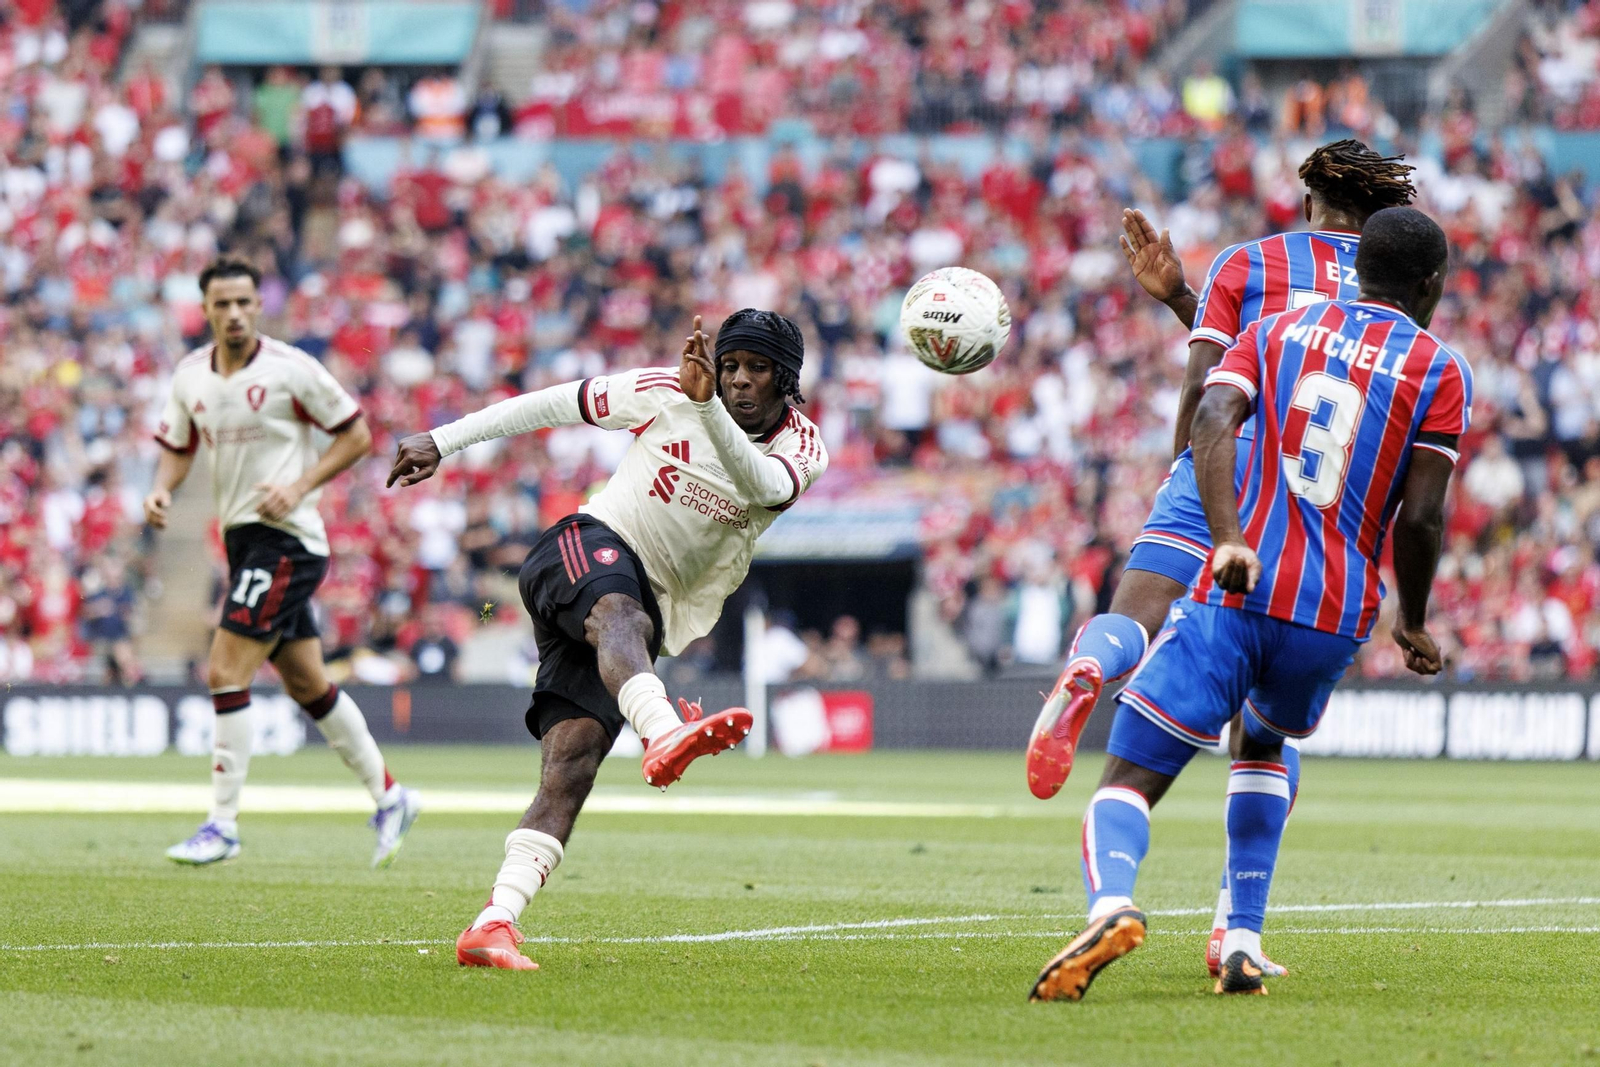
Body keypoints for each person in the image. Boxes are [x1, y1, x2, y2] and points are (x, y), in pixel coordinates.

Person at [1030, 206, 1470, 1002]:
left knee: (1127, 777)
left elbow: (1210, 413)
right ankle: (1240, 939)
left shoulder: (1276, 333)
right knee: (1264, 744)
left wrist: (1228, 535)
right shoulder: (1440, 369)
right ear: (1431, 283)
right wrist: (1412, 619)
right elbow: (1424, 516)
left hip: (1243, 587)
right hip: (1334, 617)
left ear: (1356, 265)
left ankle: (1112, 903)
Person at [386, 309, 828, 971]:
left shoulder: (802, 445)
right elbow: (552, 404)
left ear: (784, 379)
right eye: (730, 365)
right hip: (584, 547)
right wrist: (442, 441)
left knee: (572, 765)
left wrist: (705, 407)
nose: (736, 380)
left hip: (641, 608)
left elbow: (760, 484)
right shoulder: (666, 389)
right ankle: (661, 728)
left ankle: (493, 921)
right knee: (622, 616)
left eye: (754, 369)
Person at [146, 256, 420, 867]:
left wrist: (298, 486)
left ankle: (222, 824)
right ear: (207, 310)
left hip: (289, 540)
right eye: (223, 304)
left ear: (258, 305)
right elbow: (176, 446)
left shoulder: (291, 369)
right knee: (307, 684)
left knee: (224, 670)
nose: (235, 313)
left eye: (244, 301)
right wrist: (163, 488)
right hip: (244, 539)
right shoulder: (191, 376)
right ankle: (392, 796)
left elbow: (356, 433)